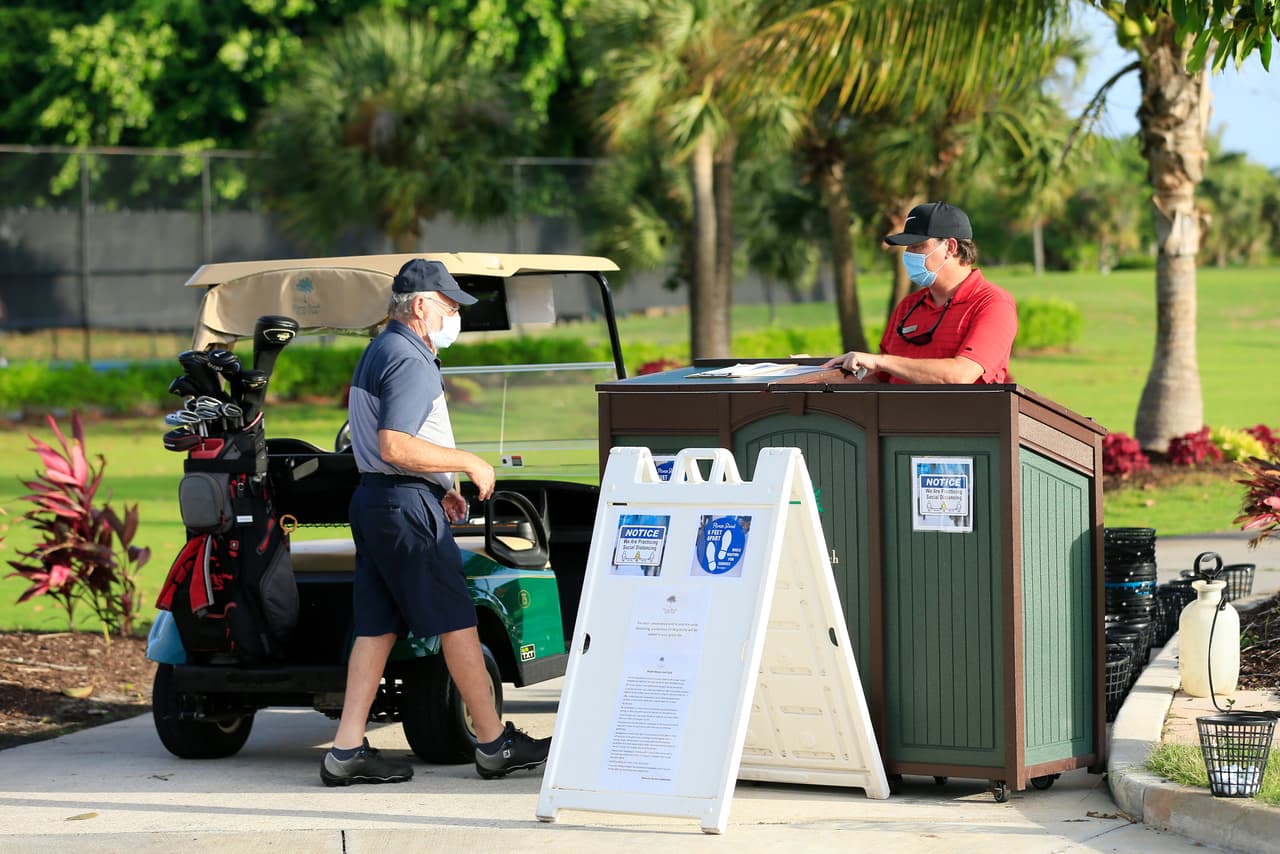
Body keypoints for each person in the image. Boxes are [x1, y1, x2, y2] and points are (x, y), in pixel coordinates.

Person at [320, 258, 550, 786]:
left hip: (379, 501)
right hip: (402, 508)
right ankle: (493, 744)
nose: (454, 317)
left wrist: (439, 486)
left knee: (375, 629)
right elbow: (394, 444)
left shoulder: (379, 349)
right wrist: (465, 463)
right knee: (457, 622)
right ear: (421, 306)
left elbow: (386, 445)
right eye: (449, 306)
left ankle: (346, 749)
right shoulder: (408, 357)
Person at [823, 202, 1016, 384]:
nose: (908, 254)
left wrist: (881, 361)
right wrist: (819, 370)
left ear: (950, 247)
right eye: (907, 247)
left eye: (917, 245)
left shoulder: (993, 303)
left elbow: (961, 374)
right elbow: (880, 378)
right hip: (899, 419)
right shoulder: (908, 306)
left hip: (964, 419)